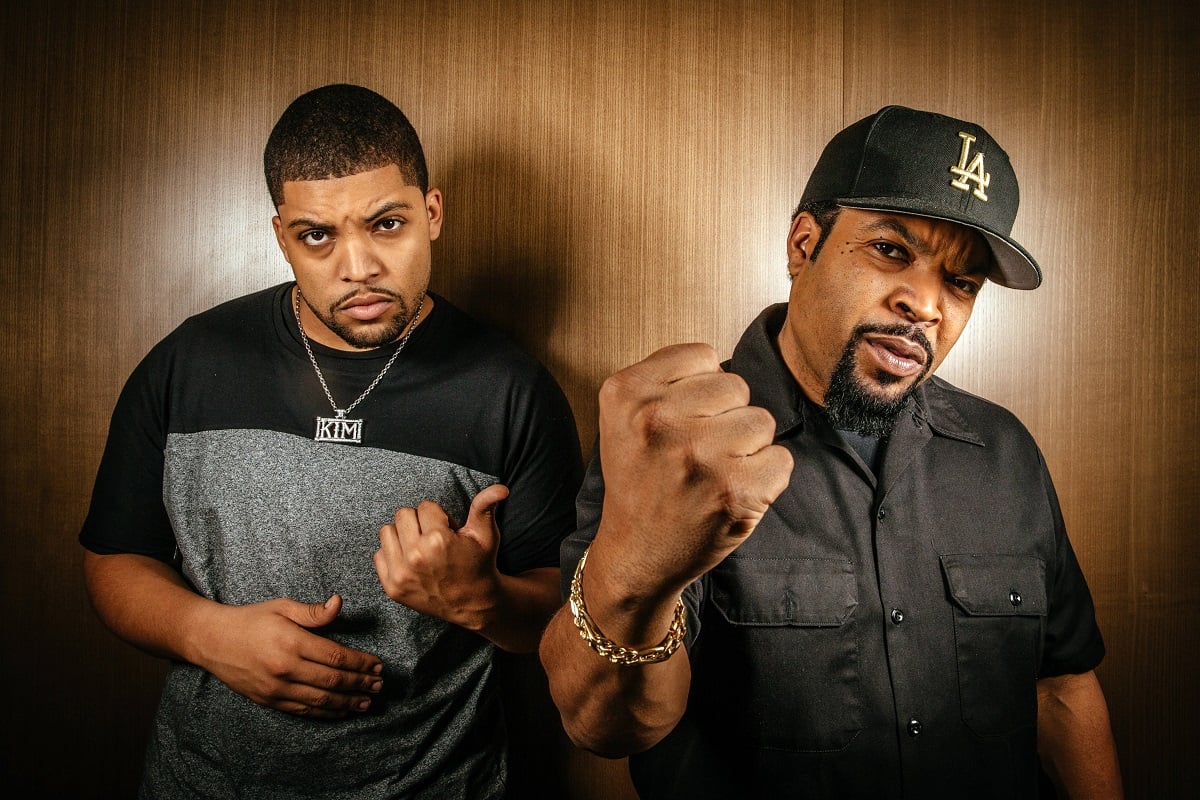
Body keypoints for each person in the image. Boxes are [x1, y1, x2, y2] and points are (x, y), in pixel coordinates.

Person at [539, 105, 1123, 798]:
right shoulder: (681, 446)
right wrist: (635, 572)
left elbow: (1061, 686)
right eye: (892, 250)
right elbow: (604, 726)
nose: (926, 304)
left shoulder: (1005, 453)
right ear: (802, 244)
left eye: (961, 282)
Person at [79, 83, 582, 799]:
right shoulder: (187, 363)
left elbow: (564, 615)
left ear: (432, 214)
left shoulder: (511, 390)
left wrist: (483, 599)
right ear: (282, 236)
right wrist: (207, 634)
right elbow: (113, 557)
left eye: (387, 224)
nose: (358, 266)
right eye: (318, 235)